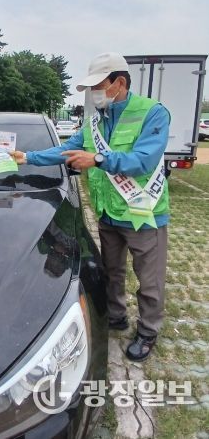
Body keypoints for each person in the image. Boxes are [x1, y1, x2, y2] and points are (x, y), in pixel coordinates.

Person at [10, 52, 170, 362]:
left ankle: (148, 331)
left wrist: (96, 158)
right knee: (112, 273)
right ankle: (116, 316)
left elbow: (144, 160)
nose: (94, 93)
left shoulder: (152, 113)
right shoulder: (96, 122)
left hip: (143, 213)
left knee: (149, 281)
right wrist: (28, 157)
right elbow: (66, 150)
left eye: (98, 86)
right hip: (109, 213)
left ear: (118, 83)